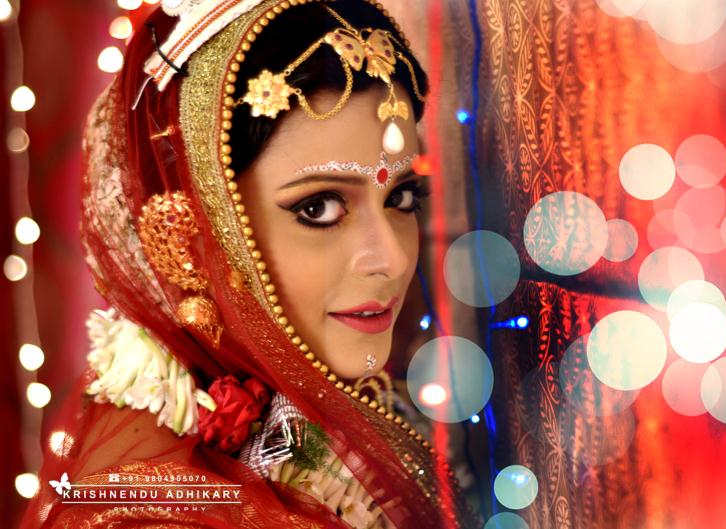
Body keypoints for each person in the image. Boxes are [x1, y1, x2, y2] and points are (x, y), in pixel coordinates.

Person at [20, 1, 476, 527]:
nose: (392, 259)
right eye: (319, 208)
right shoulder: (155, 510)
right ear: (195, 238)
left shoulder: (320, 390)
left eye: (401, 197)